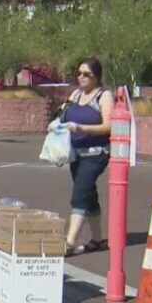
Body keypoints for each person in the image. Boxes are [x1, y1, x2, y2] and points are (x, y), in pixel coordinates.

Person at [59, 58, 113, 256]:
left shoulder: (104, 96)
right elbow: (63, 115)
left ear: (96, 77)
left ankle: (70, 241)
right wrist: (56, 125)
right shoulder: (76, 94)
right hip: (76, 153)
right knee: (88, 194)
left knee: (80, 193)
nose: (81, 77)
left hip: (96, 153)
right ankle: (97, 240)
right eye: (79, 73)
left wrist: (82, 128)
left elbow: (109, 126)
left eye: (86, 74)